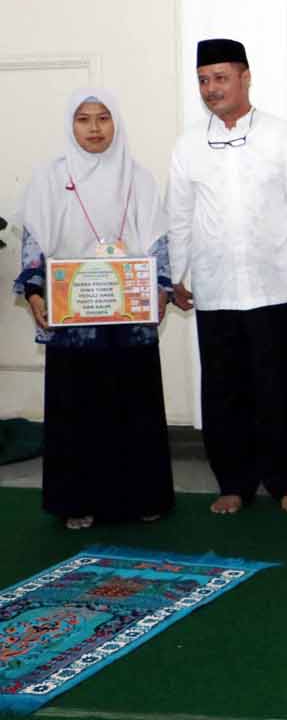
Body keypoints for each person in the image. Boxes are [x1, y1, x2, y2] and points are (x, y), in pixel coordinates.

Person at [168, 38, 287, 515]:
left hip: (273, 283)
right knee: (223, 390)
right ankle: (233, 483)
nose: (211, 88)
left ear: (245, 77)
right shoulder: (189, 143)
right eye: (203, 80)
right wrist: (176, 275)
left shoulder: (280, 135)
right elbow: (179, 214)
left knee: (280, 389)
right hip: (215, 287)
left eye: (220, 78)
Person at [14, 89, 174, 529]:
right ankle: (77, 502)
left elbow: (158, 240)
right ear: (71, 125)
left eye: (103, 118)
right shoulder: (51, 178)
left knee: (134, 404)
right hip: (74, 318)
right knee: (77, 408)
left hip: (128, 315)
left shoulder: (137, 178)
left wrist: (161, 288)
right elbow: (35, 240)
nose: (94, 128)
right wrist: (34, 292)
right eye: (83, 119)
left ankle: (143, 497)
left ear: (116, 123)